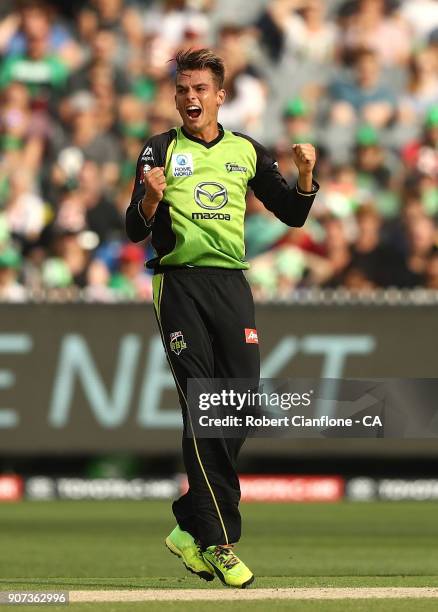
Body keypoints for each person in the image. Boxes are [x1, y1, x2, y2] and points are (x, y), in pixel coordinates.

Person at [125, 48, 318, 589]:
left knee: (242, 402)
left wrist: (305, 175)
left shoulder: (245, 151)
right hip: (179, 284)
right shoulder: (159, 150)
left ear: (219, 95)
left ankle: (190, 522)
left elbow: (294, 213)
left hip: (231, 284)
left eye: (200, 89)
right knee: (203, 402)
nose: (190, 98)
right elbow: (134, 230)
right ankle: (217, 541)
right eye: (183, 89)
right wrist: (148, 202)